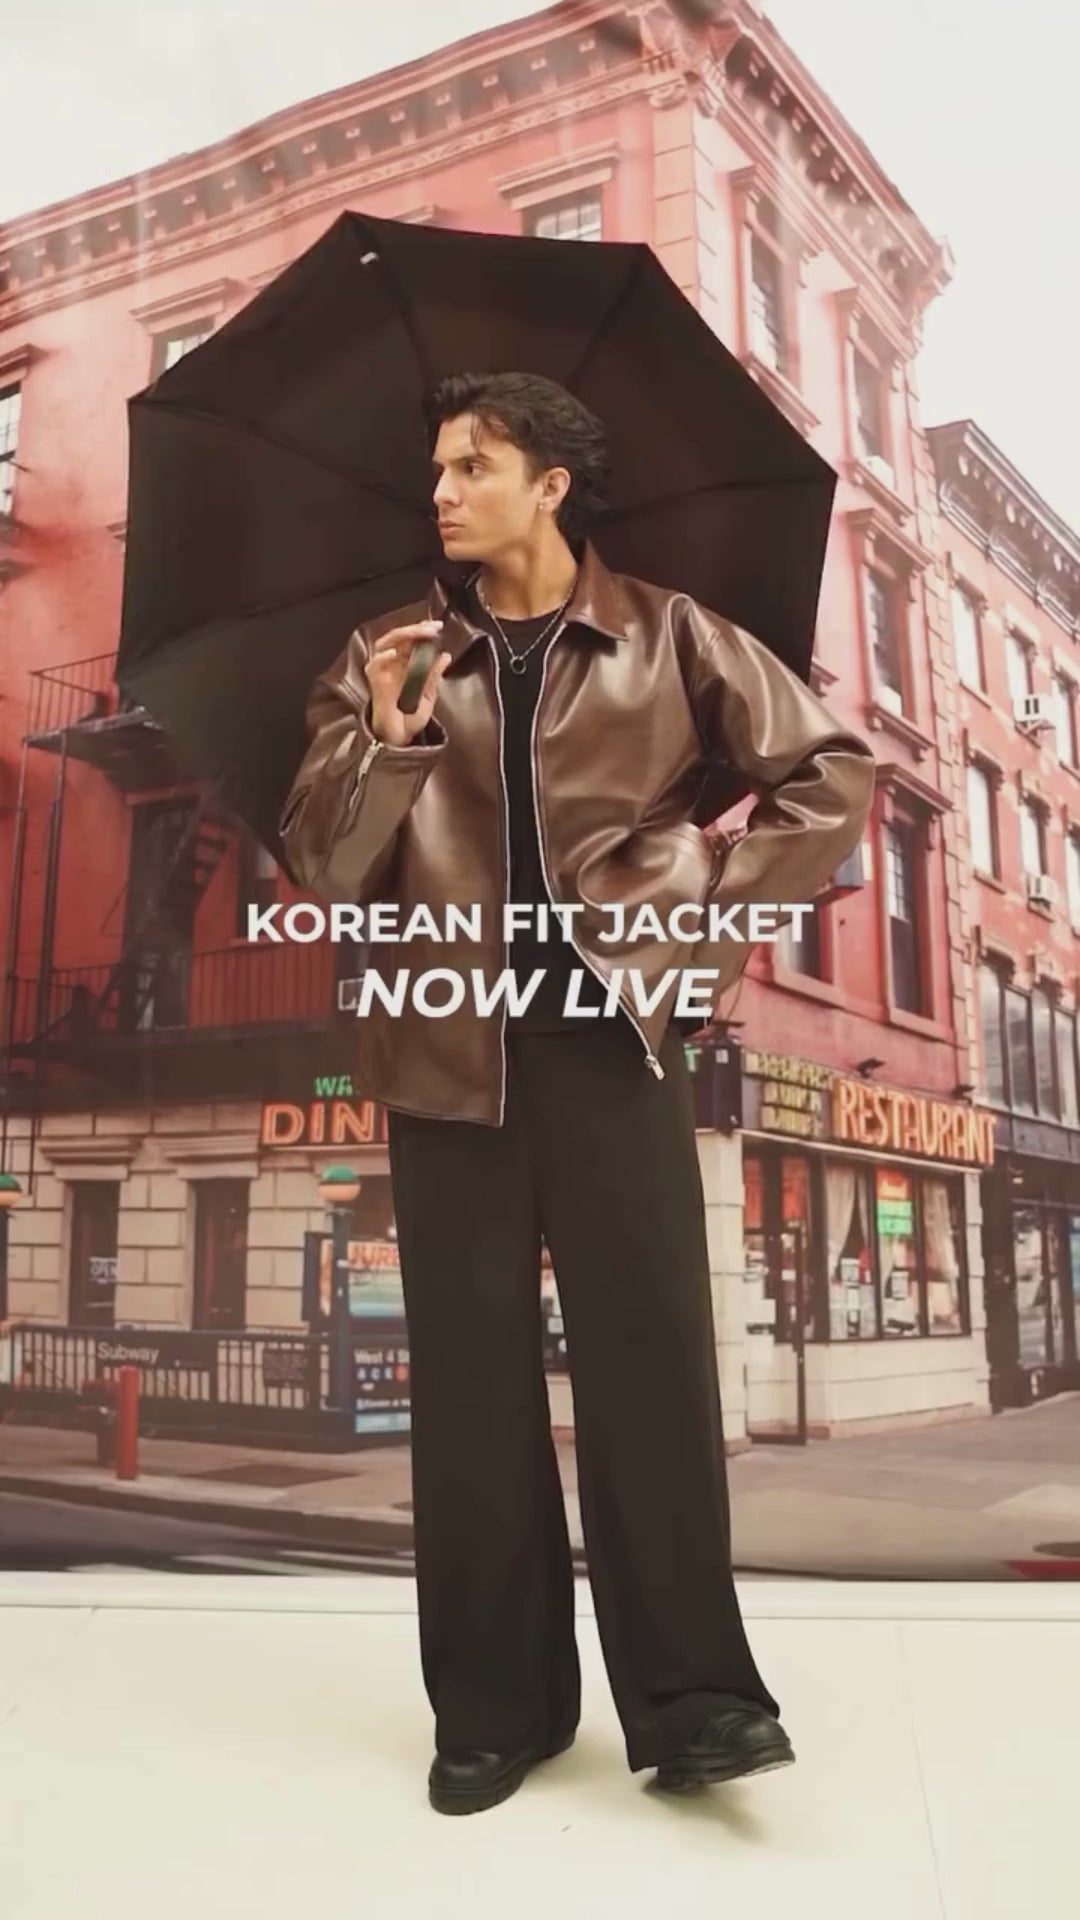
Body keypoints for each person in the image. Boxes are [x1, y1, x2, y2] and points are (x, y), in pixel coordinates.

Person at [281, 370, 875, 1815]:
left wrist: (703, 892)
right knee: (473, 1398)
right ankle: (495, 1710)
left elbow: (834, 777)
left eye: (471, 465)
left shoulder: (671, 636)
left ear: (551, 484)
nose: (442, 490)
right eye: (436, 467)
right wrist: (385, 734)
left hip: (614, 1049)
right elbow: (318, 860)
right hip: (446, 1052)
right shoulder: (387, 653)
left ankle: (697, 1706)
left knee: (653, 1378)